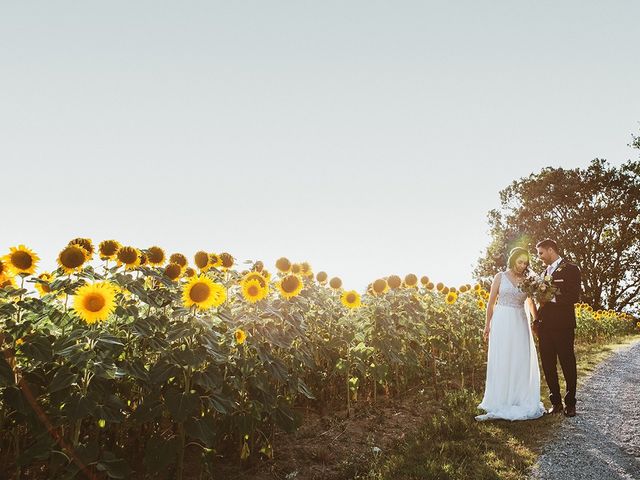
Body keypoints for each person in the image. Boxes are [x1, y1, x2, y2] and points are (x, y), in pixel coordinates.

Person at [475, 247, 545, 421]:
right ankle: (500, 397)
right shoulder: (500, 277)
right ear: (513, 260)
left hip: (519, 320)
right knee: (503, 356)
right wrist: (487, 325)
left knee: (520, 357)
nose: (522, 265)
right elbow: (491, 303)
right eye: (520, 262)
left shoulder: (528, 280)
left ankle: (518, 396)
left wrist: (536, 320)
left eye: (525, 263)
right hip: (502, 320)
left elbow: (530, 303)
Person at [534, 239, 581, 417]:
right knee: (548, 365)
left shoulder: (571, 269)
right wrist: (536, 320)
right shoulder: (543, 273)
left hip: (563, 325)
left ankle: (570, 404)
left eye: (541, 253)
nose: (539, 257)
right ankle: (556, 403)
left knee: (567, 363)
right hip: (545, 326)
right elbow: (541, 301)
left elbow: (573, 296)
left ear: (551, 250)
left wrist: (550, 298)